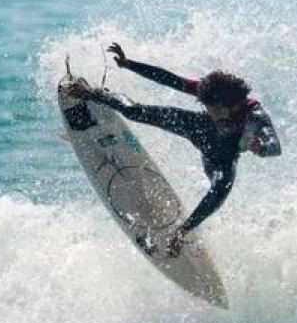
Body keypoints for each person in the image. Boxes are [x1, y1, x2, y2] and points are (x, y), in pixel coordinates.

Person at [61, 43, 280, 256]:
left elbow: (275, 146)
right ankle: (94, 93)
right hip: (198, 130)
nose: (207, 109)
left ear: (229, 106)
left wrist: (261, 148)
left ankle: (184, 230)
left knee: (221, 186)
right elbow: (171, 80)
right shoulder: (211, 93)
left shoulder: (255, 116)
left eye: (211, 108)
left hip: (223, 156)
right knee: (135, 111)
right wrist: (130, 64)